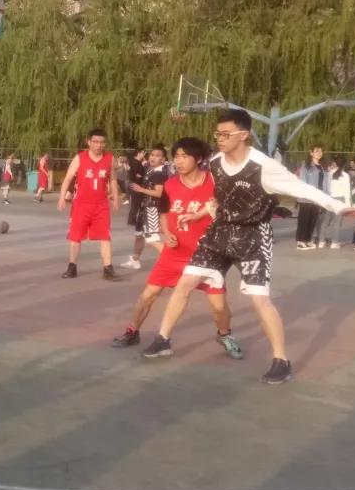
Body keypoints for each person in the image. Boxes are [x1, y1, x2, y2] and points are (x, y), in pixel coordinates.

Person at [142, 108, 355, 384]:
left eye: (226, 134)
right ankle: (163, 339)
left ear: (244, 135)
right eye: (217, 134)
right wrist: (198, 214)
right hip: (220, 232)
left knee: (259, 300)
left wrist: (339, 207)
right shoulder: (215, 163)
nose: (220, 139)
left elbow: (302, 188)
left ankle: (281, 361)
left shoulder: (263, 166)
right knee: (185, 283)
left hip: (253, 237)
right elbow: (219, 199)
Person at [111, 137, 242, 359]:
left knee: (218, 306)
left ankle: (225, 335)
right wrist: (166, 231)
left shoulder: (215, 182)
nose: (179, 161)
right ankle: (132, 331)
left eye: (184, 156)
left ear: (198, 159)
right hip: (174, 253)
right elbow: (164, 211)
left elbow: (228, 209)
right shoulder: (171, 185)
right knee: (148, 294)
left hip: (207, 256)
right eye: (176, 156)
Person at [57, 129, 121, 280]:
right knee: (75, 237)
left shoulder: (110, 158)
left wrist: (116, 197)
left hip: (101, 205)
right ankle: (72, 267)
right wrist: (61, 198)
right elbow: (68, 178)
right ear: (89, 142)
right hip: (81, 205)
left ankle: (108, 268)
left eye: (102, 142)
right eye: (95, 142)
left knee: (105, 236)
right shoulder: (80, 158)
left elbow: (112, 179)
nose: (99, 145)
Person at [121, 144, 170, 269]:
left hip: (152, 208)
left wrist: (141, 189)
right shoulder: (150, 169)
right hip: (144, 207)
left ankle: (172, 261)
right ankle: (135, 260)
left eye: (157, 156)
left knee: (151, 237)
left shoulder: (159, 173)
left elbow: (158, 193)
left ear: (163, 159)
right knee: (139, 234)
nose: (153, 157)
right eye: (152, 155)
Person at [295, 145, 327, 250]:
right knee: (304, 220)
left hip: (317, 198)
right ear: (311, 153)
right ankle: (300, 241)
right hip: (307, 198)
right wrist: (309, 193)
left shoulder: (322, 167)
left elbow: (323, 183)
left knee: (312, 220)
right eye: (316, 151)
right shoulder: (306, 166)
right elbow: (303, 181)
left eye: (321, 151)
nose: (319, 153)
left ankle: (308, 240)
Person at [317, 158, 352, 248]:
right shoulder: (345, 175)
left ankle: (321, 241)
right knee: (337, 222)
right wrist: (348, 205)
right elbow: (347, 191)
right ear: (344, 165)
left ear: (335, 163)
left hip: (330, 198)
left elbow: (324, 188)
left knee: (325, 221)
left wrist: (324, 200)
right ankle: (334, 242)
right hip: (340, 200)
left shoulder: (328, 174)